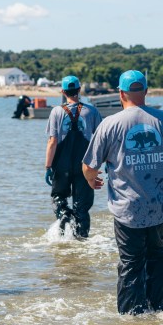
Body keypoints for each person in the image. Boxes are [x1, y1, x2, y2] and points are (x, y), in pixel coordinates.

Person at [82, 70, 163, 314]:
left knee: (130, 262)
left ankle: (131, 319)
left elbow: (88, 166)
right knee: (158, 255)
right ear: (146, 91)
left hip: (128, 208)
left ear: (120, 93)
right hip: (161, 206)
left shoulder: (110, 124)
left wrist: (91, 181)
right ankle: (158, 308)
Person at [45, 75, 102, 238]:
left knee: (58, 197)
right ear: (79, 90)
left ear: (63, 91)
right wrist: (100, 165)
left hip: (61, 166)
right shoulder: (92, 111)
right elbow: (100, 140)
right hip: (84, 166)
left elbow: (52, 142)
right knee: (82, 207)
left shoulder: (56, 112)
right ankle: (81, 239)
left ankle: (64, 216)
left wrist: (48, 167)